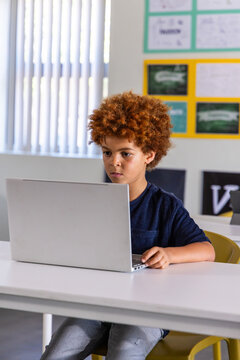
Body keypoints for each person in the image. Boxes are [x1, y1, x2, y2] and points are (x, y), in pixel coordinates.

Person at [40, 91, 215, 360]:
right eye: (107, 152)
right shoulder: (94, 202)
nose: (114, 162)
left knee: (123, 352)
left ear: (149, 155)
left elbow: (207, 250)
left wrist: (169, 254)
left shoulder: (165, 205)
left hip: (148, 309)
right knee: (56, 353)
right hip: (99, 303)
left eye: (125, 153)